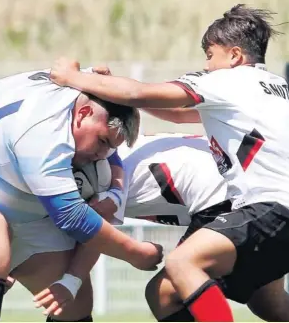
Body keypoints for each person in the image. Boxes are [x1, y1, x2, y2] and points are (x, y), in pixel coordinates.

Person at [48, 4, 289, 322]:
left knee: (182, 263)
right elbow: (173, 110)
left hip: (269, 208)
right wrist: (114, 91)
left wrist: (74, 78)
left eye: (210, 56)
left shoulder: (227, 82)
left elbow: (139, 93)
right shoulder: (269, 86)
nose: (206, 66)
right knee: (177, 295)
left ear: (235, 56)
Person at [0, 68, 163, 322]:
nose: (100, 155)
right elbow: (72, 217)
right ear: (82, 114)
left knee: (75, 304)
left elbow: (92, 75)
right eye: (102, 142)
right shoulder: (41, 133)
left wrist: (115, 189)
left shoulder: (86, 89)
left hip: (18, 199)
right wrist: (135, 253)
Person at [33, 133, 231, 320]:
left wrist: (71, 282)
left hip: (219, 197)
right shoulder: (110, 151)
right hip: (236, 184)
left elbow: (96, 233)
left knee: (164, 293)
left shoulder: (99, 173)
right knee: (259, 295)